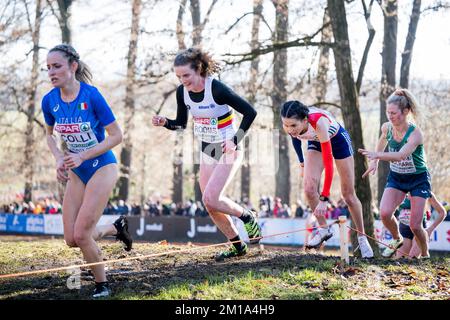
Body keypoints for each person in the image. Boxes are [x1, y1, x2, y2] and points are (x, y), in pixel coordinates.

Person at [152, 47, 261, 261]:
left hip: (227, 150)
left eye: (186, 75)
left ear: (199, 69)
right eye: (179, 76)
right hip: (207, 152)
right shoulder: (182, 92)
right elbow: (181, 124)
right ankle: (237, 247)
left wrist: (234, 140)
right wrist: (166, 123)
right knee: (209, 204)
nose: (183, 80)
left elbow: (250, 112)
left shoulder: (217, 89)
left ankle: (247, 216)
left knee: (212, 197)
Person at [42, 44, 133, 298]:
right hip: (77, 171)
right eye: (48, 67)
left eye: (57, 66)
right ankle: (115, 228)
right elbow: (49, 136)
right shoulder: (49, 101)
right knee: (71, 239)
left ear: (73, 67)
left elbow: (116, 136)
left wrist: (82, 154)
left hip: (102, 165)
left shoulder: (91, 96)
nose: (51, 72)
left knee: (82, 234)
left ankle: (102, 285)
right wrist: (60, 158)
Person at [281, 100, 374, 258]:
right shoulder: (292, 125)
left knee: (348, 195)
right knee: (309, 189)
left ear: (304, 120)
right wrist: (302, 163)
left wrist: (324, 199)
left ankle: (362, 238)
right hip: (316, 142)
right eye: (286, 125)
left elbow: (329, 165)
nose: (289, 130)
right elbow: (295, 139)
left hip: (338, 141)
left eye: (293, 126)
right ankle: (323, 229)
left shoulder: (319, 122)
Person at [359, 88, 430, 259]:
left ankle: (425, 254)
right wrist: (375, 160)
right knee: (384, 213)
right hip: (397, 178)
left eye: (393, 113)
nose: (390, 116)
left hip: (417, 179)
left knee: (415, 225)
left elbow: (400, 156)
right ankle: (397, 238)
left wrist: (378, 156)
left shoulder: (415, 134)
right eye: (387, 112)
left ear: (405, 112)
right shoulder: (387, 128)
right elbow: (382, 140)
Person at [394, 192, 446, 259]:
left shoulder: (426, 192)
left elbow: (442, 212)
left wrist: (430, 229)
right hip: (404, 229)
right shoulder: (401, 190)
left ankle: (424, 255)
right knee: (399, 260)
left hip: (419, 230)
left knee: (412, 259)